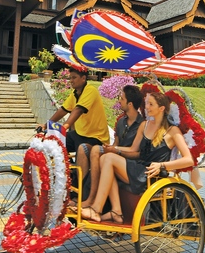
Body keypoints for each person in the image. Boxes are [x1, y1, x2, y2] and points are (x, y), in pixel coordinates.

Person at [80, 92, 194, 224]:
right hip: (139, 168)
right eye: (147, 104)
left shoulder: (172, 131)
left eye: (151, 104)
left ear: (162, 108)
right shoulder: (144, 125)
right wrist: (114, 149)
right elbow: (133, 150)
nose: (147, 107)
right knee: (106, 157)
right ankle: (116, 211)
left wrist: (162, 165)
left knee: (109, 159)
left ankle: (96, 209)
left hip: (152, 175)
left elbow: (188, 159)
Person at [77, 84, 144, 208]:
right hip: (116, 154)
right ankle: (81, 195)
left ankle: (91, 199)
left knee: (96, 150)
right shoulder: (121, 121)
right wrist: (110, 148)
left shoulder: (142, 124)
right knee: (83, 148)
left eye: (122, 98)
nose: (119, 100)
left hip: (129, 161)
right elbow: (116, 144)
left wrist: (114, 150)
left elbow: (137, 152)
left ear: (130, 104)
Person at [49, 68, 109, 164]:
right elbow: (63, 110)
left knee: (81, 155)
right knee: (56, 142)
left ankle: (77, 176)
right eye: (70, 78)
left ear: (83, 78)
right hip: (80, 134)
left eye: (74, 77)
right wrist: (46, 124)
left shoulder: (90, 91)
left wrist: (65, 126)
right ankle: (68, 169)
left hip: (95, 137)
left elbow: (78, 110)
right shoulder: (75, 94)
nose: (71, 80)